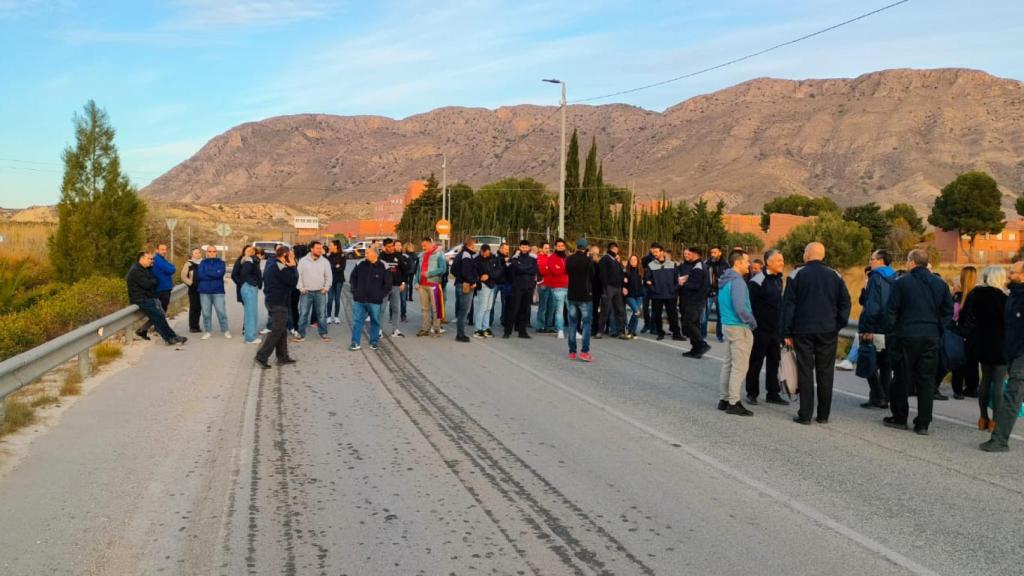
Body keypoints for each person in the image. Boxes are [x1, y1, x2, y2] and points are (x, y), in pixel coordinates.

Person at [883, 249, 953, 435]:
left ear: (912, 261)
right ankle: (923, 422)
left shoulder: (902, 283)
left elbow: (891, 310)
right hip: (931, 336)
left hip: (906, 335)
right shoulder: (940, 284)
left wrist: (892, 330)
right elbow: (948, 311)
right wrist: (939, 328)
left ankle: (899, 416)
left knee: (901, 378)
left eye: (907, 260)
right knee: (926, 380)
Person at [782, 242, 851, 425]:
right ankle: (823, 415)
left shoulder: (796, 275)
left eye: (805, 251)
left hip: (802, 330)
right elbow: (845, 303)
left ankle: (805, 415)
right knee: (826, 372)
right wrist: (837, 324)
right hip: (828, 330)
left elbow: (788, 306)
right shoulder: (835, 275)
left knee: (805, 371)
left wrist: (786, 332)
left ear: (808, 254)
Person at [979, 260, 1024, 452]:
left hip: (1021, 354)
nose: (1009, 274)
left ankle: (999, 440)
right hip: (1013, 353)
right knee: (1011, 395)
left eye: (1013, 272)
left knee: (1012, 396)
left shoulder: (1018, 297)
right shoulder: (1013, 296)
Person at [958, 266, 1008, 431]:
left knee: (985, 380)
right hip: (1000, 343)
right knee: (999, 383)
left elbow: (965, 315)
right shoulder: (1003, 298)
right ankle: (996, 420)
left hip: (980, 342)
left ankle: (983, 417)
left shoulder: (975, 294)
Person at [745, 249, 788, 405]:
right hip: (760, 329)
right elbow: (748, 305)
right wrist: (753, 326)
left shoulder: (779, 279)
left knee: (774, 362)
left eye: (782, 260)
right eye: (779, 261)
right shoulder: (758, 281)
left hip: (775, 329)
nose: (782, 263)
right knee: (756, 361)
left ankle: (773, 393)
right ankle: (752, 392)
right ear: (769, 262)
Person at [717, 250, 756, 416]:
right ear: (737, 262)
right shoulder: (738, 282)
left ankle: (724, 399)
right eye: (746, 261)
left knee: (728, 364)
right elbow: (740, 307)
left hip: (727, 325)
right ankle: (734, 402)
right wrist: (751, 320)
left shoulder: (725, 280)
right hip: (739, 327)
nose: (749, 264)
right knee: (739, 367)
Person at [857, 250, 898, 410]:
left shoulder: (875, 277)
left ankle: (877, 395)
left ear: (881, 261)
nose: (870, 262)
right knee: (885, 364)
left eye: (872, 259)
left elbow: (872, 305)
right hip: (889, 327)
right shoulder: (895, 276)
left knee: (868, 360)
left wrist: (867, 327)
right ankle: (885, 397)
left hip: (873, 326)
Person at [126, 251, 186, 346]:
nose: (152, 261)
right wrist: (154, 281)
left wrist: (153, 280)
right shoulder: (136, 271)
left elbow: (154, 280)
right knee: (159, 317)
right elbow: (149, 284)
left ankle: (171, 337)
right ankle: (170, 338)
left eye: (152, 259)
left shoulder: (145, 269)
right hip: (141, 299)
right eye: (149, 259)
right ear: (141, 259)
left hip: (148, 297)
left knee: (160, 317)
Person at [255, 246, 298, 368]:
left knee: (282, 329)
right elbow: (292, 281)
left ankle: (282, 356)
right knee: (278, 329)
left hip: (276, 300)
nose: (292, 257)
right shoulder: (279, 266)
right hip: (277, 302)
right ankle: (261, 356)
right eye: (290, 255)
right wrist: (293, 266)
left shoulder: (274, 263)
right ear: (284, 255)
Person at [348, 248, 392, 351]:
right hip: (359, 299)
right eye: (366, 253)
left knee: (375, 321)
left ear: (375, 254)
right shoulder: (360, 264)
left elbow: (388, 284)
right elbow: (353, 278)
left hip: (375, 301)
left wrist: (380, 295)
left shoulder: (383, 266)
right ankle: (355, 342)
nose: (365, 254)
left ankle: (374, 342)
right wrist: (355, 291)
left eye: (368, 253)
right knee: (357, 321)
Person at [294, 240, 332, 343]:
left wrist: (326, 288)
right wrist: (301, 287)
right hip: (306, 292)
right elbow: (298, 276)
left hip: (320, 292)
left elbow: (329, 276)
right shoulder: (303, 261)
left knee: (321, 314)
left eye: (321, 248)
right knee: (303, 314)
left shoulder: (325, 262)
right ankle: (301, 335)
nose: (320, 250)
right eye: (318, 248)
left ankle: (323, 333)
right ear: (311, 249)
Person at [137, 243, 177, 340]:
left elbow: (170, 267)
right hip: (161, 289)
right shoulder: (157, 259)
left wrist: (171, 267)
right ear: (157, 250)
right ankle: (146, 329)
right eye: (162, 249)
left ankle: (148, 329)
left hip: (164, 288)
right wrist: (172, 267)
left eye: (165, 249)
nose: (164, 251)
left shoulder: (162, 259)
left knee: (159, 312)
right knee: (160, 313)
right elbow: (170, 269)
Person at [951, 266, 980, 399]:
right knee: (972, 362)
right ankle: (971, 387)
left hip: (961, 332)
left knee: (959, 361)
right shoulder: (978, 295)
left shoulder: (960, 297)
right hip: (974, 334)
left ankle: (957, 389)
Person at [645, 244, 683, 341]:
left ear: (662, 252)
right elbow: (647, 280)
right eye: (653, 252)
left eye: (656, 252)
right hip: (657, 295)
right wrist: (654, 289)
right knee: (657, 315)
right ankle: (660, 333)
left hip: (671, 295)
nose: (655, 254)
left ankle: (676, 334)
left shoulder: (672, 264)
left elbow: (677, 279)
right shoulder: (651, 265)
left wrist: (675, 289)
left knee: (673, 315)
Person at [565, 238, 594, 361]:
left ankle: (572, 351)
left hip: (572, 294)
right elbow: (592, 276)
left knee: (572, 324)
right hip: (585, 295)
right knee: (586, 324)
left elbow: (567, 272)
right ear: (586, 248)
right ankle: (584, 351)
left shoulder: (569, 259)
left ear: (577, 246)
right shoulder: (588, 261)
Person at [679, 246, 710, 357]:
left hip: (694, 300)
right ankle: (696, 349)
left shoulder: (698, 267)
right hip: (696, 300)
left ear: (695, 254)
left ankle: (701, 344)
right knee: (694, 324)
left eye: (690, 253)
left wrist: (683, 284)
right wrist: (688, 277)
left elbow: (695, 285)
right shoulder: (699, 265)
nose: (688, 255)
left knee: (689, 323)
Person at [504, 239, 538, 339]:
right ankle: (507, 331)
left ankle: (522, 331)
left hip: (528, 288)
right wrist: (525, 269)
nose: (524, 249)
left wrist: (523, 268)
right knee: (513, 309)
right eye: (522, 247)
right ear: (519, 247)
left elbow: (534, 270)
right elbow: (517, 268)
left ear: (529, 248)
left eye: (526, 247)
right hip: (517, 288)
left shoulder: (532, 259)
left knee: (525, 310)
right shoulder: (515, 258)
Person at [414, 237, 446, 337]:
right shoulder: (421, 255)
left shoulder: (439, 254)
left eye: (425, 245)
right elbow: (418, 270)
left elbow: (443, 269)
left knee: (436, 308)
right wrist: (416, 282)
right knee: (424, 308)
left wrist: (429, 274)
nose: (423, 247)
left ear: (431, 243)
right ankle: (425, 329)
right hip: (422, 285)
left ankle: (436, 329)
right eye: (422, 246)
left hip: (434, 284)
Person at [197, 245, 230, 340]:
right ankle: (208, 331)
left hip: (218, 291)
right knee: (206, 313)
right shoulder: (202, 263)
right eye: (210, 251)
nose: (212, 253)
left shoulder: (221, 263)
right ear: (207, 253)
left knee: (221, 312)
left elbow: (220, 274)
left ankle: (225, 330)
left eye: (213, 251)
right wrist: (214, 273)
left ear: (216, 252)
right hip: (204, 291)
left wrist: (208, 273)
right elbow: (200, 275)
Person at [472, 244, 503, 338]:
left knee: (489, 307)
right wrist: (479, 280)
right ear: (481, 251)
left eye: (486, 253)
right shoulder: (477, 260)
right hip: (483, 286)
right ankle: (478, 329)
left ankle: (485, 328)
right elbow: (474, 272)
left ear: (489, 251)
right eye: (483, 253)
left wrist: (489, 275)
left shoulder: (494, 258)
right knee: (482, 307)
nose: (484, 255)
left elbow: (499, 271)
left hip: (492, 285)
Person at [379, 238, 409, 338]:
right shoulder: (381, 257)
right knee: (381, 309)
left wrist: (403, 283)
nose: (392, 248)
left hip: (396, 286)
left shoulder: (398, 256)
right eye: (389, 247)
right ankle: (379, 330)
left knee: (396, 309)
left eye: (392, 246)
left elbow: (405, 271)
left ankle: (395, 330)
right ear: (384, 247)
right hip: (384, 287)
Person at [597, 242, 627, 339]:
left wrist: (622, 284)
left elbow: (621, 273)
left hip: (617, 288)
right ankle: (600, 331)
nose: (617, 251)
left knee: (620, 310)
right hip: (609, 287)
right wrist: (605, 288)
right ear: (612, 249)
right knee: (605, 310)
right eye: (615, 249)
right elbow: (602, 275)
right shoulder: (605, 259)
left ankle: (621, 331)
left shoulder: (615, 261)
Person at [451, 237, 478, 342]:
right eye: (474, 246)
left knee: (462, 311)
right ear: (469, 246)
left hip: (460, 284)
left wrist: (459, 277)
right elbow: (466, 272)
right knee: (464, 312)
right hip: (465, 286)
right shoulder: (466, 255)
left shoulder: (460, 254)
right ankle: (460, 334)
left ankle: (460, 333)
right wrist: (472, 281)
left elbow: (453, 270)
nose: (475, 248)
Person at [236, 245, 264, 344]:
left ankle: (251, 336)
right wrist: (253, 283)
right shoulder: (249, 261)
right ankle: (250, 338)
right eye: (260, 254)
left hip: (250, 288)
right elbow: (244, 274)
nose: (262, 257)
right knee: (251, 314)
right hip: (249, 288)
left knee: (252, 313)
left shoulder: (251, 260)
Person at [542, 239, 569, 339]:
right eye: (558, 246)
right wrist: (566, 269)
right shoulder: (552, 258)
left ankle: (574, 330)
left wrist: (562, 269)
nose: (560, 247)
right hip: (557, 288)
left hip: (568, 286)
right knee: (559, 310)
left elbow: (570, 269)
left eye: (562, 246)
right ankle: (560, 330)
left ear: (565, 247)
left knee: (571, 310)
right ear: (555, 247)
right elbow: (554, 271)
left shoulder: (567, 257)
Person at [703, 246, 727, 342]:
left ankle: (720, 335)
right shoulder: (706, 263)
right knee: (705, 315)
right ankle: (703, 335)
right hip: (708, 292)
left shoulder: (725, 265)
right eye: (711, 252)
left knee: (720, 315)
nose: (713, 254)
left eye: (715, 252)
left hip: (720, 292)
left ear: (720, 253)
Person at [180, 248, 203, 334]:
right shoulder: (188, 264)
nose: (198, 254)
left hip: (202, 289)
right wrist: (191, 284)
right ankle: (192, 326)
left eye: (199, 253)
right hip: (193, 289)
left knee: (199, 308)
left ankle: (197, 326)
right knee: (194, 307)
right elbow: (183, 276)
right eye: (195, 253)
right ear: (192, 255)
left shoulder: (203, 263)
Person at [326, 240, 348, 325]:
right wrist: (336, 265)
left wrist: (334, 266)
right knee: (330, 299)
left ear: (336, 246)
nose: (329, 246)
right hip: (330, 280)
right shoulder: (328, 256)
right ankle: (328, 317)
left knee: (337, 299)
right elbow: (327, 267)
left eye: (331, 245)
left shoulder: (342, 256)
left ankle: (336, 316)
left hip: (339, 280)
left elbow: (341, 268)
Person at [534, 242, 553, 332]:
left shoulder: (551, 258)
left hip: (552, 285)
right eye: (545, 248)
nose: (547, 249)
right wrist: (550, 269)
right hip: (543, 285)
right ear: (541, 249)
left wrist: (549, 268)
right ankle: (540, 326)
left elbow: (556, 270)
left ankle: (548, 326)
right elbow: (542, 271)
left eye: (548, 248)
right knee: (543, 307)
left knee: (551, 307)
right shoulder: (539, 258)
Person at [623, 254, 643, 339]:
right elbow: (622, 282)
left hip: (639, 296)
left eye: (635, 260)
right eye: (631, 260)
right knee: (637, 311)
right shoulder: (625, 271)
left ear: (638, 261)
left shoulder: (641, 271)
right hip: (630, 296)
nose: (633, 261)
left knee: (636, 314)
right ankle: (629, 329)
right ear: (629, 261)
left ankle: (632, 331)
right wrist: (624, 284)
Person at [402, 242, 419, 320]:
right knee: (408, 284)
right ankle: (408, 296)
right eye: (410, 247)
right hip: (408, 271)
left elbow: (416, 261)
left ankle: (408, 296)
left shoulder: (411, 254)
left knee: (409, 284)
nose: (411, 248)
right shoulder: (407, 254)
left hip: (410, 271)